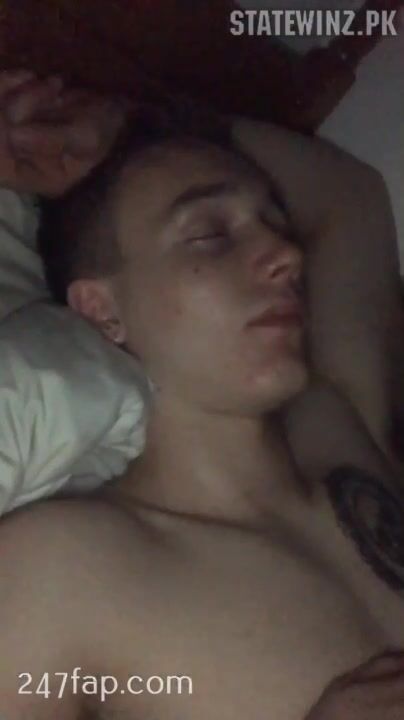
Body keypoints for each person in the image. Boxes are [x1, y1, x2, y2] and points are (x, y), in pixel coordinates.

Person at [0, 69, 403, 720]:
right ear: (103, 311)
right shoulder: (59, 568)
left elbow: (349, 195)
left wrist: (124, 121)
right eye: (211, 236)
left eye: (277, 223)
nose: (285, 254)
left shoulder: (337, 430)